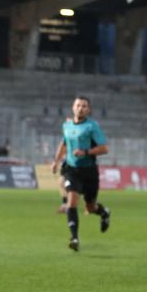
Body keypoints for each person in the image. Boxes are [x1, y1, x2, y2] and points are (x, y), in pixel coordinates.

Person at [50, 96, 111, 252]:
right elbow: (64, 143)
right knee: (72, 202)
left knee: (90, 208)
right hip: (72, 169)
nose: (81, 108)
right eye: (78, 105)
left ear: (88, 110)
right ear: (73, 107)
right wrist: (56, 161)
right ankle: (74, 237)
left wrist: (85, 152)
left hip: (89, 171)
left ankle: (104, 213)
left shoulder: (92, 126)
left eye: (84, 106)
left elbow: (104, 148)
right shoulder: (67, 125)